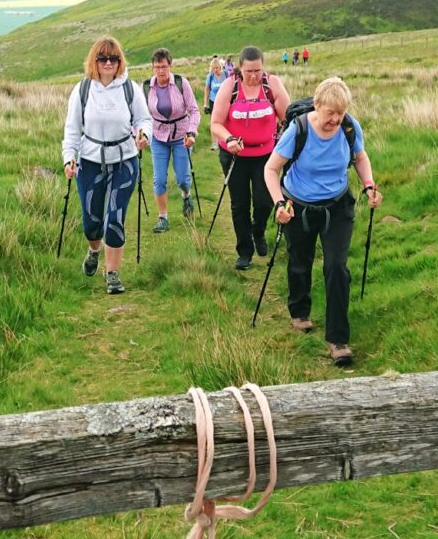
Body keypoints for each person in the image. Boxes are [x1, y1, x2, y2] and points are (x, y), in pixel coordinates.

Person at [264, 77, 382, 368]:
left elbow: (360, 157)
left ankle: (338, 339)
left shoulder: (349, 127)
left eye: (340, 113)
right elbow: (271, 168)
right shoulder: (299, 129)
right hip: (299, 205)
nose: (335, 119)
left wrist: (368, 184)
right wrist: (279, 203)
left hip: (337, 206)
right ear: (317, 106)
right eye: (330, 113)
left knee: (336, 267)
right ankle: (299, 310)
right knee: (299, 261)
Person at [62, 36, 152, 295]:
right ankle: (94, 249)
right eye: (103, 58)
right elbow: (72, 130)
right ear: (95, 61)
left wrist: (144, 134)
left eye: (114, 59)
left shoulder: (130, 88)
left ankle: (112, 273)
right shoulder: (82, 90)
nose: (109, 63)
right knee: (92, 222)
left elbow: (144, 118)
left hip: (124, 159)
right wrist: (70, 158)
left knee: (115, 218)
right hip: (90, 161)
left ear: (120, 61)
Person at [210, 45, 291, 271]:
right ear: (240, 69)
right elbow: (215, 124)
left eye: (258, 70)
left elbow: (288, 118)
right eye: (249, 72)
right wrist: (230, 139)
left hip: (266, 155)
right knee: (240, 204)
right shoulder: (230, 87)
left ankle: (258, 230)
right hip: (235, 155)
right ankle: (244, 252)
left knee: (265, 201)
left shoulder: (272, 85)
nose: (254, 76)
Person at [143, 48, 200, 232]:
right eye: (157, 67)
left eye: (164, 66)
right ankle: (163, 218)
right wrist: (140, 133)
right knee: (159, 179)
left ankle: (186, 196)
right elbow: (141, 116)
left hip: (181, 136)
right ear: (152, 67)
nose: (161, 71)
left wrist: (191, 132)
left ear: (170, 66)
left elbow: (194, 110)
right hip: (158, 137)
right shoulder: (146, 88)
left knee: (182, 178)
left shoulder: (180, 83)